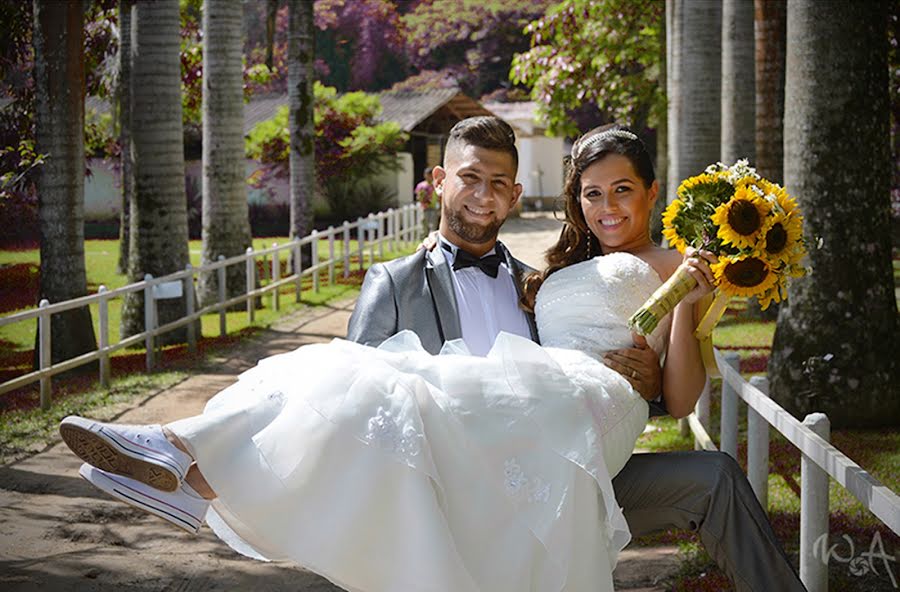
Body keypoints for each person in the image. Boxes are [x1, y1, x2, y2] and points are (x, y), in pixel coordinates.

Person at [59, 117, 804, 592]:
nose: (606, 208)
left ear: (650, 195)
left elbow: (673, 392)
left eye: (623, 193)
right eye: (590, 194)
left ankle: (191, 462)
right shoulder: (484, 275)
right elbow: (348, 420)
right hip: (456, 466)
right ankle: (183, 458)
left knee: (710, 476)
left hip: (563, 436)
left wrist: (668, 326)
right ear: (438, 184)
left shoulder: (560, 276)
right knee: (367, 377)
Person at [415, 166, 440, 234]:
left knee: (433, 226)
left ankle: (431, 240)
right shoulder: (421, 186)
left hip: (433, 208)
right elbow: (418, 196)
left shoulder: (435, 185)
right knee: (424, 225)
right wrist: (422, 197)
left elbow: (439, 196)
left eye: (430, 175)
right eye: (427, 175)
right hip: (424, 208)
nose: (429, 177)